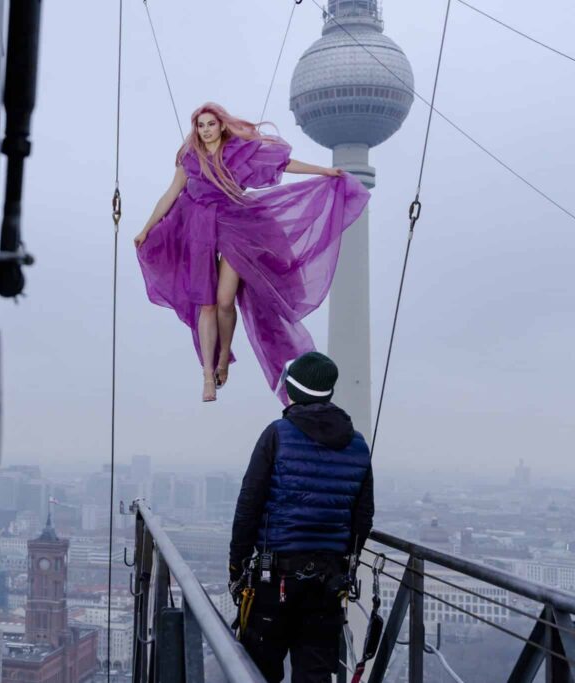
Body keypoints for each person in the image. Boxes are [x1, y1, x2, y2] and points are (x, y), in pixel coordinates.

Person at [135, 103, 370, 402]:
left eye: (210, 124)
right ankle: (208, 375)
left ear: (221, 126)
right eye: (200, 125)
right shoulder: (190, 159)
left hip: (236, 225)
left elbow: (282, 165)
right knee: (205, 304)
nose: (205, 130)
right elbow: (170, 195)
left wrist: (324, 170)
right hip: (199, 227)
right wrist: (146, 228)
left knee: (223, 301)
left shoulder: (238, 152)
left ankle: (223, 360)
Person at [227, 352, 374, 683]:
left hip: (274, 581)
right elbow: (362, 519)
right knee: (315, 675)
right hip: (327, 585)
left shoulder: (277, 434)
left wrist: (236, 568)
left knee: (257, 673)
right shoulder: (358, 445)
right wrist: (343, 564)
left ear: (293, 391)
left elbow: (248, 507)